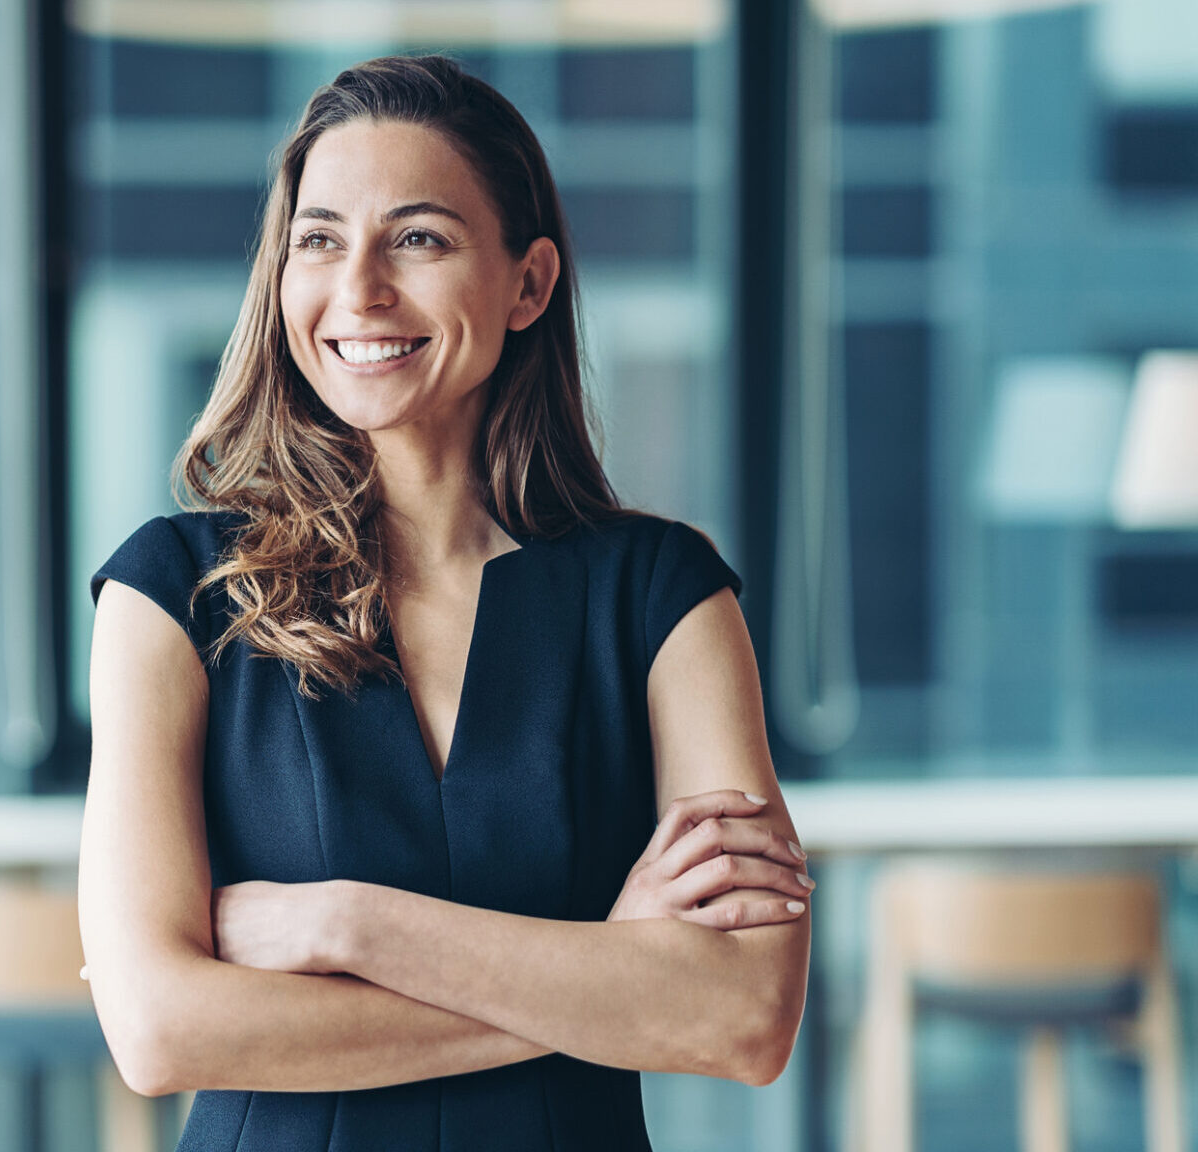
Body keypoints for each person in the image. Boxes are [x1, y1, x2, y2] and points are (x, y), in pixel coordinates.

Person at [78, 54, 809, 1150]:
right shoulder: (171, 595)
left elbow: (742, 1019)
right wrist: (603, 977)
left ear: (528, 284)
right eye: (318, 238)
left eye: (417, 238)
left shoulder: (661, 597)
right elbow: (157, 1030)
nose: (359, 289)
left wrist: (340, 923)